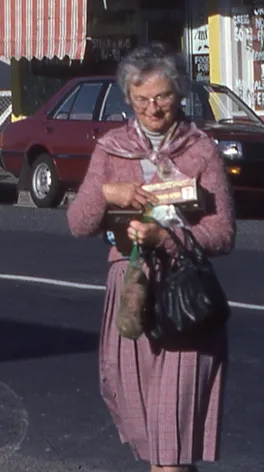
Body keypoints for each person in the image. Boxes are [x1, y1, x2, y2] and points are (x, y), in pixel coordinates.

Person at [68, 44, 236, 472]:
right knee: (155, 445)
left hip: (184, 300)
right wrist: (107, 192)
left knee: (170, 451)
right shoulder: (112, 148)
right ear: (128, 97)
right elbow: (79, 224)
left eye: (161, 97)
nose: (152, 108)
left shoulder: (202, 151)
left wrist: (168, 237)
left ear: (178, 94)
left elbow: (222, 233)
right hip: (131, 297)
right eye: (141, 99)